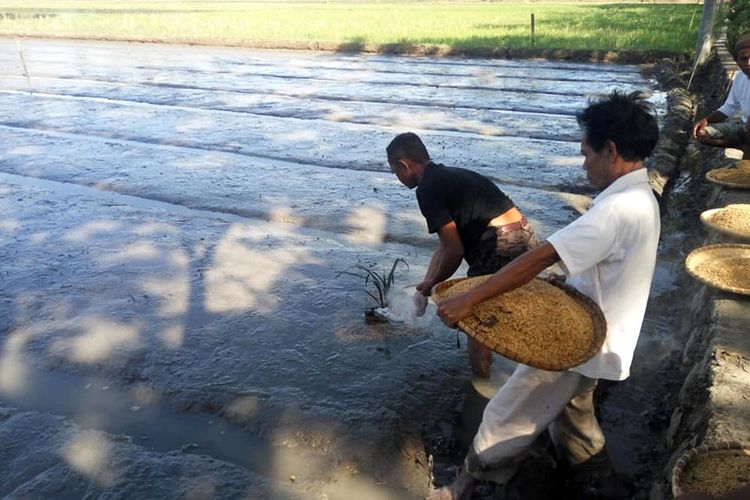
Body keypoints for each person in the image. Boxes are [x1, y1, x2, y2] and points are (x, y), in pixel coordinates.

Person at [431, 91, 660, 499]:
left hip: (579, 341)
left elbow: (541, 257)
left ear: (610, 150)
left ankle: (460, 487)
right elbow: (597, 266)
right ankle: (602, 482)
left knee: (509, 411)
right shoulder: (642, 198)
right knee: (574, 418)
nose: (583, 162)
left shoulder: (616, 209)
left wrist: (472, 298)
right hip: (606, 333)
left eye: (586, 152)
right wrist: (563, 285)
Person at [386, 132, 538, 378]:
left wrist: (434, 285)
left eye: (395, 172)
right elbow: (445, 245)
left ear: (405, 165)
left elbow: (455, 251)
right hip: (524, 235)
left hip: (499, 244)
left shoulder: (427, 189)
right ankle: (528, 372)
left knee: (476, 317)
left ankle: (482, 380)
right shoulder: (448, 175)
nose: (398, 178)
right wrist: (425, 287)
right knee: (516, 310)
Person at [692, 32, 750, 159]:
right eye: (744, 59)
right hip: (745, 129)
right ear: (737, 61)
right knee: (701, 133)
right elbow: (729, 107)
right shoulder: (740, 78)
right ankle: (743, 146)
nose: (748, 63)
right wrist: (706, 120)